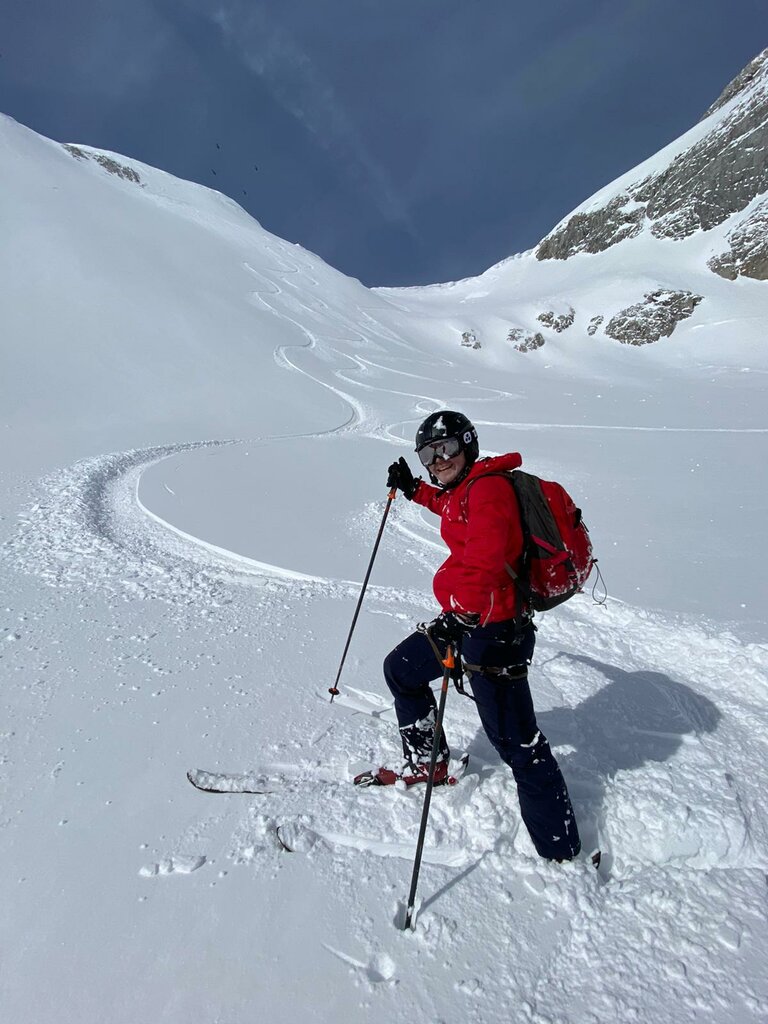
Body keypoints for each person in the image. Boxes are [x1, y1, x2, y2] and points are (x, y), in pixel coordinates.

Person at [367, 410, 581, 862]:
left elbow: (486, 558)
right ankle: (429, 764)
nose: (437, 460)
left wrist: (458, 616)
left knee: (519, 747)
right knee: (402, 670)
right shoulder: (467, 488)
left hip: (494, 633)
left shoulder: (489, 490)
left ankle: (561, 849)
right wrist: (414, 491)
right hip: (468, 622)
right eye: (428, 453)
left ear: (468, 444)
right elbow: (450, 506)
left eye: (445, 448)